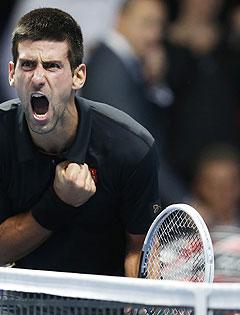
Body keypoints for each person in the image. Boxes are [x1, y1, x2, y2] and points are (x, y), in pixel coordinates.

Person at [0, 8, 160, 277]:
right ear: (12, 73)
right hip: (23, 305)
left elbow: (139, 250)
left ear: (78, 76)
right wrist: (59, 202)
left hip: (104, 304)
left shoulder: (132, 148)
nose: (38, 78)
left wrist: (135, 304)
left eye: (53, 66)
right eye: (28, 65)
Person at [80, 0, 190, 205]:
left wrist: (155, 84)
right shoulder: (109, 68)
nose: (154, 34)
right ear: (119, 19)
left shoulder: (126, 64)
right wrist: (182, 200)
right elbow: (137, 149)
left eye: (160, 25)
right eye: (147, 23)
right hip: (113, 203)